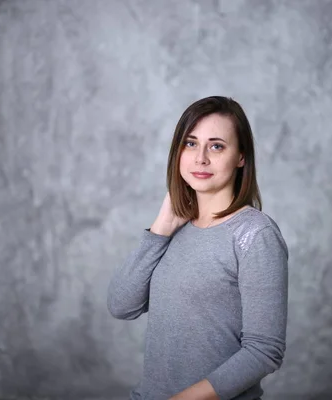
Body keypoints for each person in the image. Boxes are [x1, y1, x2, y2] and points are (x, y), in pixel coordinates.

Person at [107, 96, 289, 400]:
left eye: (216, 146)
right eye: (191, 144)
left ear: (241, 157)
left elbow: (264, 350)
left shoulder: (254, 234)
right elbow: (121, 305)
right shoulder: (172, 231)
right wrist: (161, 227)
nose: (200, 158)